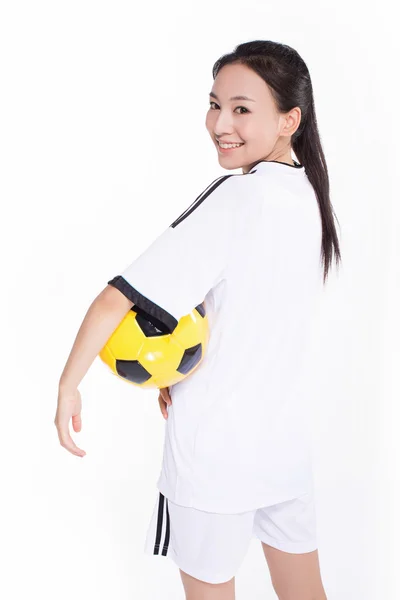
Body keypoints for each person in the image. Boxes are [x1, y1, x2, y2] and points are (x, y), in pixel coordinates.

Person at [54, 40, 341, 600]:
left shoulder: (239, 197)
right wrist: (180, 371)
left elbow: (118, 297)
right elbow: (250, 316)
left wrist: (69, 385)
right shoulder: (309, 195)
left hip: (214, 457)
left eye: (241, 108)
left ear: (290, 119)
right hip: (283, 448)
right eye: (214, 105)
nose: (220, 123)